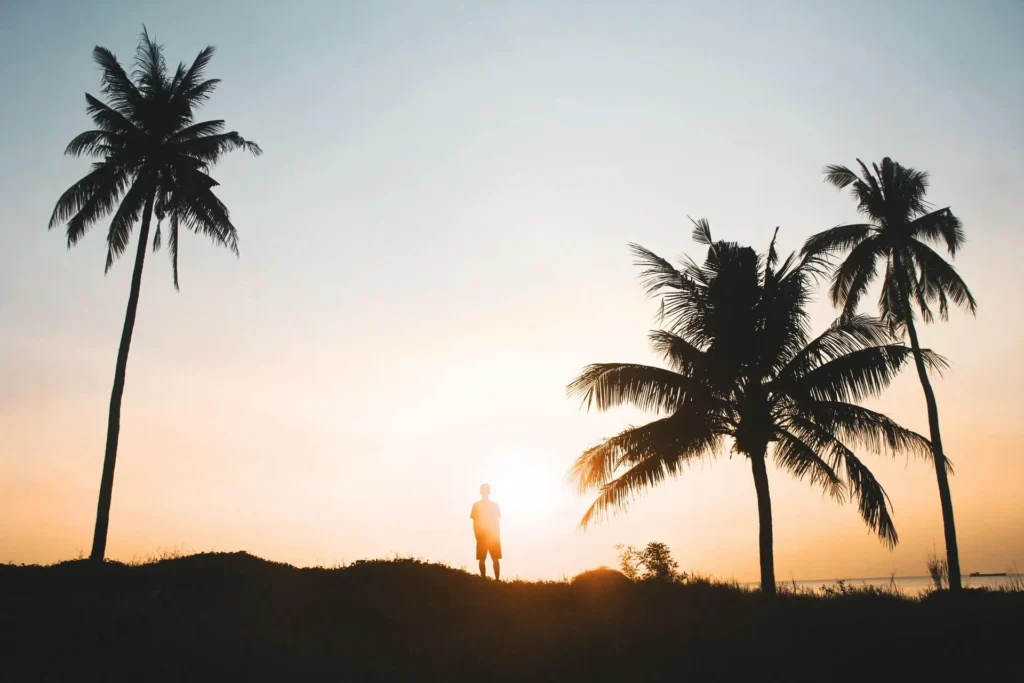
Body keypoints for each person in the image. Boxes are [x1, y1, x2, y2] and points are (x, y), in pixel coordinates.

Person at [470, 483, 501, 580]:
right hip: (490, 535)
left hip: (486, 535)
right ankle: (495, 580)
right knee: (490, 559)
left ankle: (486, 579)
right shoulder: (493, 505)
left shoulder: (477, 505)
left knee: (485, 559)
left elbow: (475, 523)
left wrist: (476, 534)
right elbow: (496, 522)